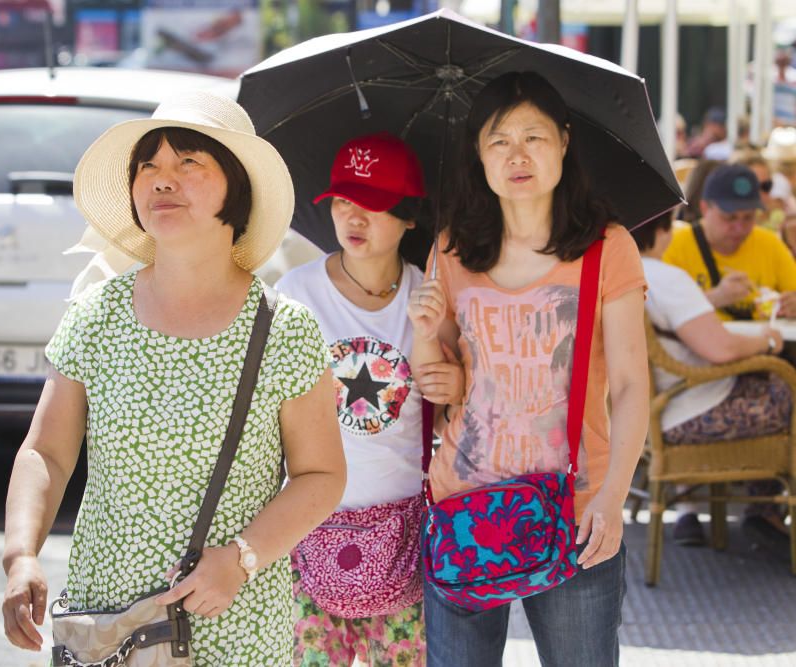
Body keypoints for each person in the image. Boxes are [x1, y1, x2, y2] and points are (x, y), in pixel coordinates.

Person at [0, 92, 346, 666]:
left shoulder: (284, 329)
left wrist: (241, 559)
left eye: (189, 163)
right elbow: (46, 453)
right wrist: (21, 556)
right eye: (148, 166)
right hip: (109, 625)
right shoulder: (96, 316)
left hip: (234, 628)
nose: (163, 180)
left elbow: (322, 475)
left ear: (235, 188)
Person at [408, 71, 649, 667]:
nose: (517, 155)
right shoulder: (451, 249)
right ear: (479, 156)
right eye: (498, 141)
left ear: (564, 143)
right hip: (464, 504)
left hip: (574, 511)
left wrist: (614, 496)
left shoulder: (606, 247)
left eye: (533, 137)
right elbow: (436, 379)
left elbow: (630, 383)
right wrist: (423, 334)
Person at [276, 132, 464, 667]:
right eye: (342, 202)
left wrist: (453, 385)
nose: (353, 219)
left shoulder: (428, 294)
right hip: (307, 526)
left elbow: (450, 405)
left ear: (408, 217)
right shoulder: (295, 295)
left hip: (405, 527)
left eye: (373, 205)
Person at [632, 211, 791, 547]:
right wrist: (769, 341)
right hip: (692, 409)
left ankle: (761, 507)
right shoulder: (667, 277)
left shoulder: (620, 273)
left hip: (649, 412)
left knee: (771, 383)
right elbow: (721, 348)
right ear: (663, 230)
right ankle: (765, 508)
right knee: (786, 388)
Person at [663, 163, 796, 321]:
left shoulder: (769, 243)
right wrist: (715, 298)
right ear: (705, 208)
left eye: (748, 217)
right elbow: (659, 315)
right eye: (729, 218)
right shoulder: (674, 246)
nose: (739, 228)